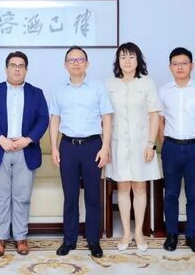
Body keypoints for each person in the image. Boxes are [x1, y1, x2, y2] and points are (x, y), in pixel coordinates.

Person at [0, 51, 49, 256]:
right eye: (13, 65)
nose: (17, 69)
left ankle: (20, 237)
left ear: (26, 70)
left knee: (22, 197)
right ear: (6, 69)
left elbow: (43, 119)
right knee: (0, 197)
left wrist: (27, 140)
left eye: (21, 66)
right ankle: (0, 237)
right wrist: (0, 138)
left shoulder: (37, 93)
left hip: (25, 150)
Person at [50, 46, 113, 258]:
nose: (76, 63)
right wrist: (54, 147)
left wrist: (105, 147)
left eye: (80, 59)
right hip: (67, 146)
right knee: (70, 196)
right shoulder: (59, 90)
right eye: (71, 60)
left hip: (92, 146)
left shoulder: (98, 87)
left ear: (87, 63)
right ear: (65, 64)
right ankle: (69, 239)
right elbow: (55, 119)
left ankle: (93, 240)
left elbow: (107, 118)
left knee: (93, 196)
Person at [158, 47, 195, 255]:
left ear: (192, 65)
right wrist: (165, 145)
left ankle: (192, 235)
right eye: (175, 64)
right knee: (171, 194)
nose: (180, 67)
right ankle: (172, 234)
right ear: (170, 67)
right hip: (171, 148)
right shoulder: (163, 91)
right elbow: (160, 121)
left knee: (194, 195)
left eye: (184, 63)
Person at [105, 42, 161, 252]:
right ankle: (126, 233)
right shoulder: (109, 84)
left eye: (131, 57)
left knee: (139, 187)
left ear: (138, 60)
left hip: (141, 144)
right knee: (122, 187)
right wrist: (106, 145)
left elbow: (154, 115)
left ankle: (138, 232)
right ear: (117, 61)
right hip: (118, 144)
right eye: (123, 57)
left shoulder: (147, 83)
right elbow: (105, 117)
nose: (127, 61)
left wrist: (151, 143)